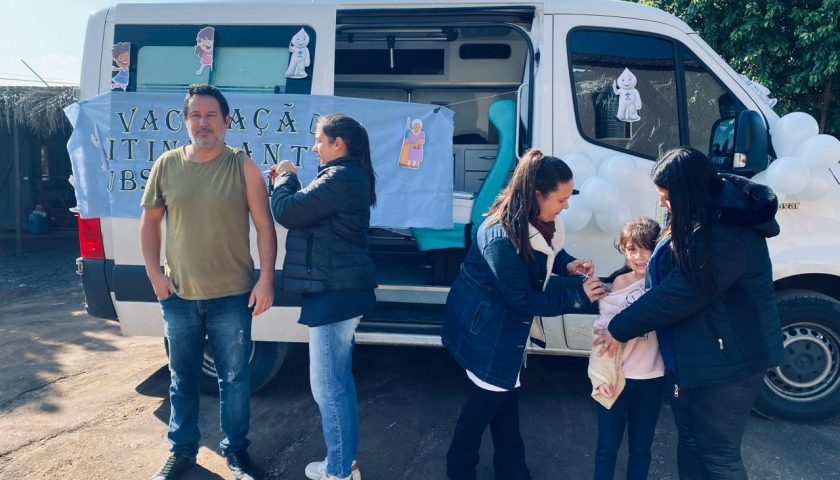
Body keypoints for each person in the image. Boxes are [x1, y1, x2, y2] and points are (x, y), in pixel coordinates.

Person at [594, 147, 783, 480]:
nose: (662, 203)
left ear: (687, 192)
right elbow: (661, 277)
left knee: (719, 456)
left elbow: (681, 293)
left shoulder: (729, 232)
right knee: (692, 443)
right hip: (693, 363)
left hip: (727, 366)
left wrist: (619, 327)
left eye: (666, 196)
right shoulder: (698, 215)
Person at [442, 149, 607, 480]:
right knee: (488, 402)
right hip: (488, 332)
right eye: (561, 199)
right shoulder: (500, 236)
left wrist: (567, 264)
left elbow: (546, 253)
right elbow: (523, 301)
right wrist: (578, 296)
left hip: (501, 328)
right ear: (537, 194)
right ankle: (460, 469)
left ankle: (511, 468)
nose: (566, 206)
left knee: (503, 398)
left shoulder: (536, 218)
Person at [140, 84, 276, 480]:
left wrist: (266, 280)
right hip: (178, 295)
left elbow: (265, 226)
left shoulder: (243, 167)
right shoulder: (166, 165)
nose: (203, 123)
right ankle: (182, 451)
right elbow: (150, 222)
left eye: (211, 115)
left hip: (233, 297)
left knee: (234, 381)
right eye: (195, 115)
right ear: (185, 121)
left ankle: (236, 452)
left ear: (226, 121)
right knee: (181, 379)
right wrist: (154, 275)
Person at [268, 114, 377, 480]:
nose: (314, 147)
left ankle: (339, 471)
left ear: (338, 143)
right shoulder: (344, 177)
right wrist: (286, 183)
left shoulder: (340, 177)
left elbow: (287, 211)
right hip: (336, 291)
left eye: (319, 140)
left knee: (328, 389)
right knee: (338, 385)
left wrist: (285, 177)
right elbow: (306, 210)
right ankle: (344, 463)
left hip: (334, 294)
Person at [588, 217, 664, 480]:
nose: (639, 256)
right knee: (607, 448)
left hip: (652, 379)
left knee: (641, 449)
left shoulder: (664, 285)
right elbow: (601, 336)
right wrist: (601, 378)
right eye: (632, 249)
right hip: (617, 379)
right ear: (623, 250)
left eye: (646, 248)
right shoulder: (620, 283)